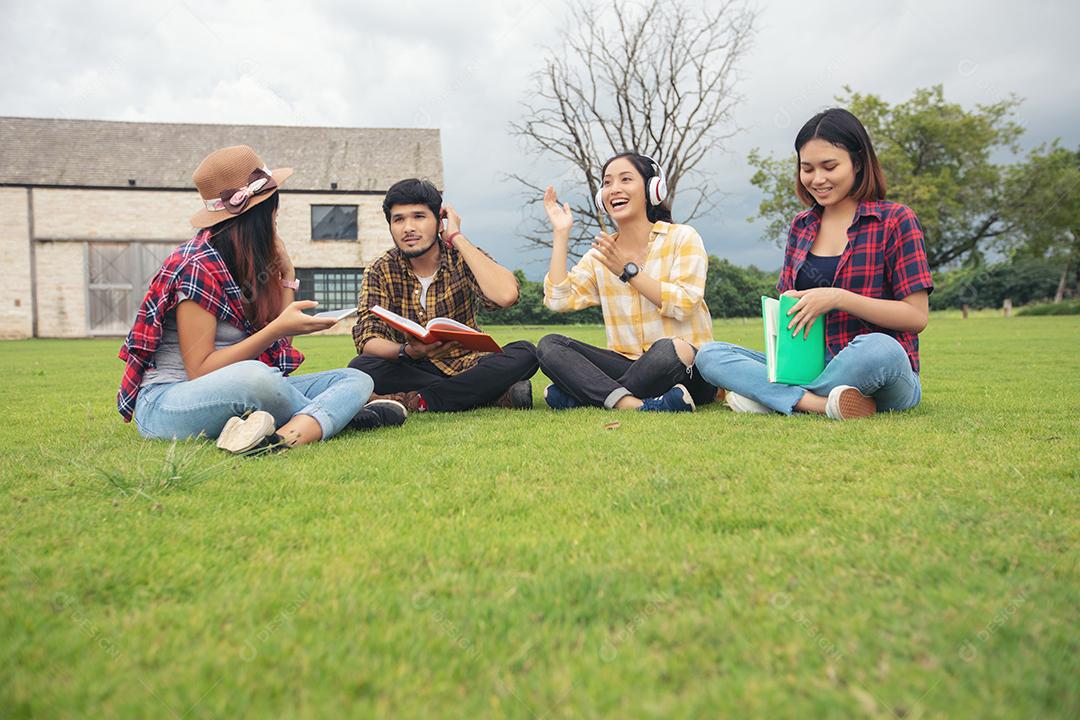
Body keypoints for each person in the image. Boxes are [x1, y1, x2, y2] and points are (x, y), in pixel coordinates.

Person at [117, 145, 406, 455]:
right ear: (255, 217)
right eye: (273, 214)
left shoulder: (248, 262)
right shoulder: (196, 265)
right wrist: (276, 329)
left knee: (356, 378)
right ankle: (339, 418)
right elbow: (200, 369)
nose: (275, 223)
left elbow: (280, 349)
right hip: (169, 402)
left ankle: (285, 435)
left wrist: (287, 275)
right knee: (256, 378)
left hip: (240, 390)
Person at [694, 108, 934, 419]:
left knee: (880, 348)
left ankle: (775, 398)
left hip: (881, 371)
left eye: (829, 167)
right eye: (807, 169)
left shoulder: (895, 220)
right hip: (809, 365)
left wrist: (838, 298)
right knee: (710, 355)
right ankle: (818, 403)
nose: (817, 179)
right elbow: (789, 307)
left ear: (858, 163)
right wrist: (788, 307)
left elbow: (916, 316)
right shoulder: (801, 225)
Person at [536, 152, 717, 412]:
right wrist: (561, 233)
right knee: (550, 346)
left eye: (625, 179)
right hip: (629, 365)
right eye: (607, 183)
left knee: (668, 350)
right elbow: (558, 300)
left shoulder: (683, 237)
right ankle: (635, 404)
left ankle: (586, 395)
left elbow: (685, 303)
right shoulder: (601, 255)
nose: (614, 189)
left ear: (652, 189)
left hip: (685, 368)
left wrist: (628, 271)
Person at [348, 179, 539, 412]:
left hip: (470, 363)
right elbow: (368, 338)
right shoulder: (381, 269)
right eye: (398, 219)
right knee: (361, 366)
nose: (408, 227)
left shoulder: (461, 257)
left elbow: (506, 296)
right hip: (413, 366)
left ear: (439, 222)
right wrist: (407, 351)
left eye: (419, 216)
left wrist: (456, 236)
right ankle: (492, 394)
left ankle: (422, 400)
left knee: (526, 353)